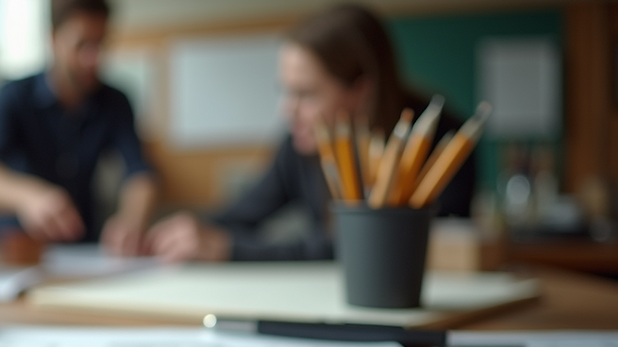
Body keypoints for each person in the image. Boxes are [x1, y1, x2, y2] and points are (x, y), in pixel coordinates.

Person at [145, 4, 475, 262]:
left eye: (306, 94)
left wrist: (234, 250)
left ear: (360, 91)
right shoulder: (299, 142)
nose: (287, 110)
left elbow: (373, 250)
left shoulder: (439, 144)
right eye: (285, 92)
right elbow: (240, 215)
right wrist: (182, 230)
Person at [0, 0, 158, 256]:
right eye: (82, 45)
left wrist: (131, 219)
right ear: (54, 39)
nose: (93, 59)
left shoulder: (115, 101)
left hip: (82, 249)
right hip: (18, 250)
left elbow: (140, 172)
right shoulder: (13, 96)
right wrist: (30, 197)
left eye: (100, 45)